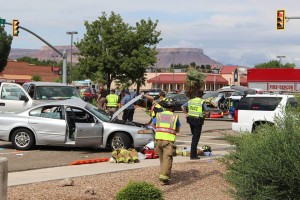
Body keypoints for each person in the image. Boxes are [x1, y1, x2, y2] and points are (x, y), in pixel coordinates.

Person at [151, 98, 181, 185]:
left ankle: (164, 175)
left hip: (158, 140)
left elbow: (153, 124)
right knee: (167, 159)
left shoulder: (159, 115)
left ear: (164, 106)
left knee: (162, 159)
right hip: (168, 141)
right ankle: (164, 178)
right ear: (173, 107)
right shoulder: (174, 117)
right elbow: (178, 129)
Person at [181, 90, 208, 160]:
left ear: (196, 95)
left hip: (191, 120)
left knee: (194, 136)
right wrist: (204, 115)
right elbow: (207, 112)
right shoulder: (202, 101)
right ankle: (193, 155)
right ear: (202, 95)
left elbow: (182, 107)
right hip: (198, 121)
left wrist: (186, 113)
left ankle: (194, 153)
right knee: (195, 138)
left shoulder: (191, 101)